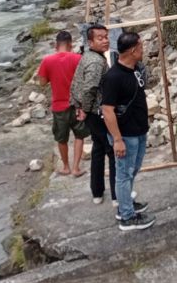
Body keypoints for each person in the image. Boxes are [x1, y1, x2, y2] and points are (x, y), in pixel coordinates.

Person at [100, 32, 154, 231]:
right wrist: (117, 139)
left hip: (138, 131)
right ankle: (127, 216)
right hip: (126, 135)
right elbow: (107, 110)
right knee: (123, 173)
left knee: (132, 170)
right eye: (140, 46)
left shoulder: (135, 70)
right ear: (132, 50)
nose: (143, 49)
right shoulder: (113, 77)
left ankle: (126, 205)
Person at [69, 23, 116, 205]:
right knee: (112, 151)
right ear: (90, 41)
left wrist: (78, 106)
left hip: (89, 112)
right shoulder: (96, 62)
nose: (105, 41)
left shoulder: (87, 56)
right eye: (100, 38)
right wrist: (85, 110)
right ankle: (116, 196)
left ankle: (97, 192)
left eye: (106, 37)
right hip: (97, 113)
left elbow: (75, 83)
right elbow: (89, 88)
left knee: (97, 150)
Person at [37, 30, 88, 177]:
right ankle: (76, 168)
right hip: (77, 104)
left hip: (59, 106)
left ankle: (66, 167)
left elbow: (42, 83)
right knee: (79, 135)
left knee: (61, 138)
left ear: (56, 45)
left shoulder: (47, 61)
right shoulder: (78, 58)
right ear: (71, 45)